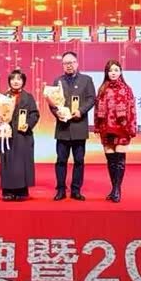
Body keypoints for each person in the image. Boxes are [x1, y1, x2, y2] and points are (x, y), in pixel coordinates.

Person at [50, 51, 96, 201]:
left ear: (77, 63)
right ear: (62, 65)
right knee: (61, 161)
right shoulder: (58, 81)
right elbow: (52, 102)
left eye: (71, 62)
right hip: (63, 127)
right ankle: (61, 190)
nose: (68, 65)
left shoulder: (86, 80)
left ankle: (76, 190)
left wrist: (81, 111)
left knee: (79, 161)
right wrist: (57, 113)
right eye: (65, 63)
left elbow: (91, 99)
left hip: (79, 126)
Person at [94, 60, 137, 203]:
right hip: (106, 128)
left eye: (116, 70)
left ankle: (117, 190)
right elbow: (96, 110)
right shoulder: (102, 89)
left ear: (120, 72)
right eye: (110, 70)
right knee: (111, 161)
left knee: (119, 160)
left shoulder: (126, 89)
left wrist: (132, 127)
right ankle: (114, 188)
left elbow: (132, 109)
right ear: (106, 73)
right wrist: (97, 126)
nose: (113, 73)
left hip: (122, 128)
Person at [0, 69, 40, 201]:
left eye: (19, 79)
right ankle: (7, 191)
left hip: (23, 135)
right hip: (7, 135)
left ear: (23, 82)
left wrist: (28, 124)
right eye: (13, 79)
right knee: (8, 162)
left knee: (22, 162)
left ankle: (22, 191)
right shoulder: (2, 98)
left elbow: (35, 114)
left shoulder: (29, 97)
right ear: (9, 81)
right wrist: (0, 123)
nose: (16, 82)